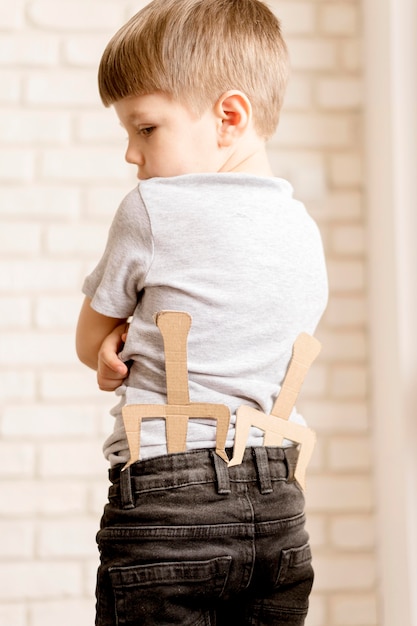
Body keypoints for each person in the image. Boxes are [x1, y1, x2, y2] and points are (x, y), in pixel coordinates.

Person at [75, 0, 328, 624]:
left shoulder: (152, 210)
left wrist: (107, 355)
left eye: (145, 128)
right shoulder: (305, 231)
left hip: (169, 500)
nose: (132, 156)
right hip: (280, 509)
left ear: (229, 117)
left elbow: (90, 341)